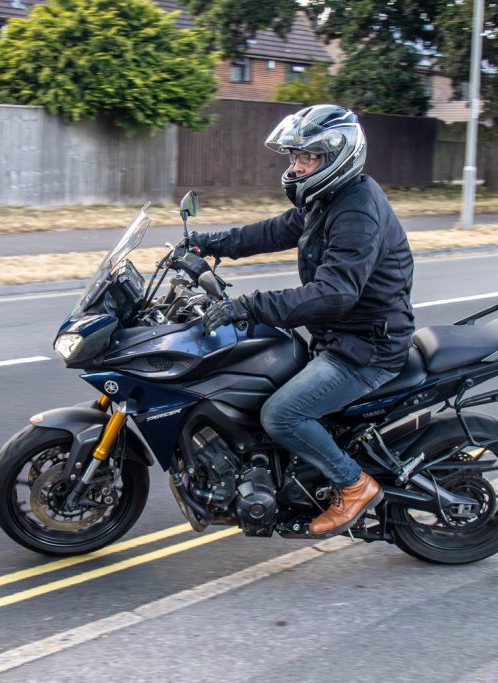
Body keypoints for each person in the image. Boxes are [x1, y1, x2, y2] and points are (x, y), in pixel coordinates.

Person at [189, 104, 415, 538]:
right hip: (340, 337)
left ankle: (354, 486)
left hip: (365, 349)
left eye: (307, 157)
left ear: (337, 156)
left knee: (282, 415)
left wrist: (249, 305)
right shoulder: (328, 198)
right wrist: (209, 244)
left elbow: (334, 294)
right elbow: (275, 230)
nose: (296, 167)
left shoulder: (356, 211)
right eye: (294, 157)